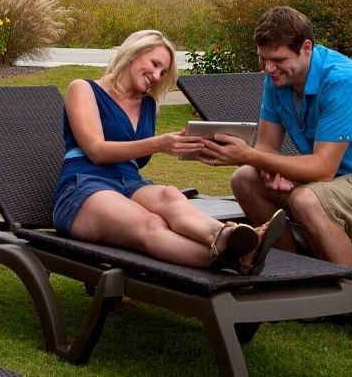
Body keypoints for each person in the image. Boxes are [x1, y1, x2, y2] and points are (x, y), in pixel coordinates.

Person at [199, 6, 352, 351]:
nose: (268, 68)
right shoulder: (277, 82)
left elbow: (322, 169)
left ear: (306, 48)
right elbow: (267, 147)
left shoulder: (342, 80)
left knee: (305, 198)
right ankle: (296, 283)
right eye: (263, 59)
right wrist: (267, 168)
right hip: (337, 184)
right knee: (244, 179)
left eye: (277, 59)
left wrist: (253, 156)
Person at [52, 29, 286, 274]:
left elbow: (135, 161)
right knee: (152, 224)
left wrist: (190, 142)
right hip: (84, 186)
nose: (156, 76)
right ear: (133, 53)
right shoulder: (83, 89)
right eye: (154, 65)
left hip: (129, 185)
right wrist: (159, 143)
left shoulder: (149, 107)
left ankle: (225, 234)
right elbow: (96, 151)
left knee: (170, 195)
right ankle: (236, 257)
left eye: (162, 72)